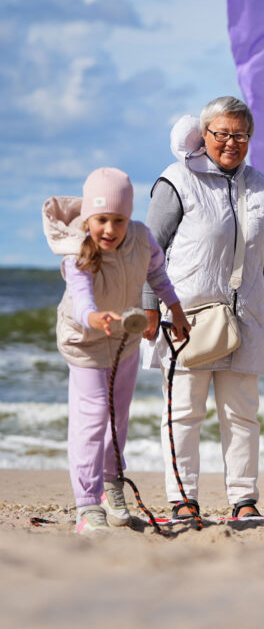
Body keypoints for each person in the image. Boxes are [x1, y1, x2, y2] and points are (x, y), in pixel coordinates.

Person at [141, 96, 264, 520]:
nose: (231, 142)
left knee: (243, 415)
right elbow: (149, 248)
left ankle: (244, 500)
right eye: (222, 134)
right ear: (204, 135)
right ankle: (183, 499)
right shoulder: (178, 180)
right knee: (184, 413)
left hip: (245, 318)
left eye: (241, 135)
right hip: (187, 318)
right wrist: (149, 306)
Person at [42, 168, 189, 533]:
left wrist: (175, 308)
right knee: (92, 421)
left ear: (129, 217)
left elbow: (157, 273)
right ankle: (87, 505)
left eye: (119, 220)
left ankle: (112, 486)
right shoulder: (78, 253)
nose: (110, 229)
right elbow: (81, 300)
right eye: (102, 220)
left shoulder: (140, 237)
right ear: (88, 219)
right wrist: (94, 318)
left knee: (117, 419)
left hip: (124, 341)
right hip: (86, 344)